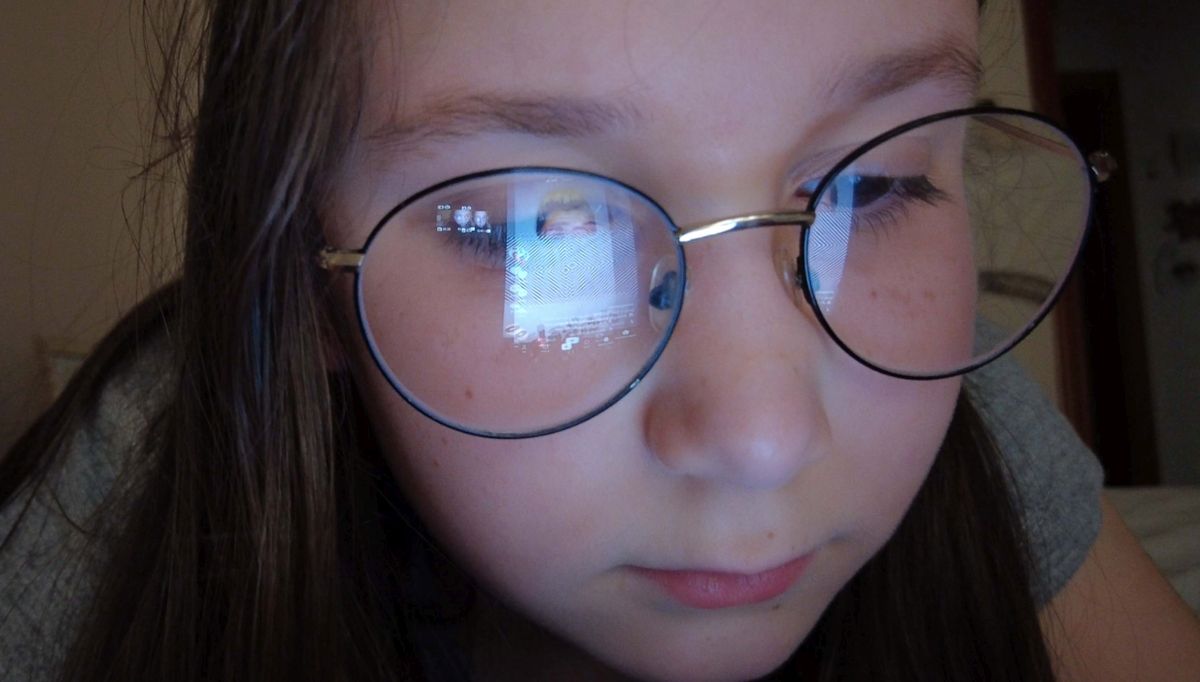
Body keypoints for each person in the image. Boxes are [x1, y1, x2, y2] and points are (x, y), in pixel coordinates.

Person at [3, 1, 1200, 680]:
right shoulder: (130, 510)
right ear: (301, 283)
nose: (766, 435)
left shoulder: (967, 405)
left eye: (874, 187)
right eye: (544, 226)